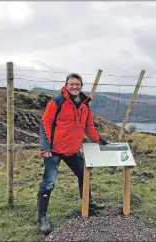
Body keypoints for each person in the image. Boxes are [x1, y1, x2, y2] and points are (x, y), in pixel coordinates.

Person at [37, 73, 109, 235]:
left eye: (77, 84)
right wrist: (45, 146)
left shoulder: (85, 105)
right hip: (54, 151)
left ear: (81, 86)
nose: (74, 87)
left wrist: (101, 140)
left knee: (85, 175)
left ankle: (88, 203)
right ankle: (42, 217)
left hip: (72, 150)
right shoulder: (57, 102)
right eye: (71, 84)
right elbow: (45, 123)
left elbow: (89, 127)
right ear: (66, 86)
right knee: (48, 183)